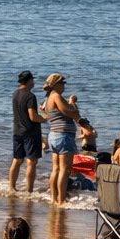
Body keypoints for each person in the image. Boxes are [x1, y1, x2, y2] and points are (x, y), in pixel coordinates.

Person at [42, 73, 80, 204]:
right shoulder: (56, 96)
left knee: (56, 169)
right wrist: (73, 103)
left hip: (53, 134)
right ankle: (61, 199)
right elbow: (69, 112)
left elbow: (49, 114)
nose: (64, 86)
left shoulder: (47, 99)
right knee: (64, 169)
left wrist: (70, 105)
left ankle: (54, 198)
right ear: (56, 85)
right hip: (63, 135)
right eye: (62, 84)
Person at [10, 71, 42, 193]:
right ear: (29, 81)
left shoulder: (15, 94)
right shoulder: (30, 96)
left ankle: (12, 188)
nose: (33, 82)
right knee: (31, 162)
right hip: (30, 132)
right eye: (32, 80)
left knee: (17, 161)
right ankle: (29, 190)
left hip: (17, 131)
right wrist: (44, 119)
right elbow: (33, 116)